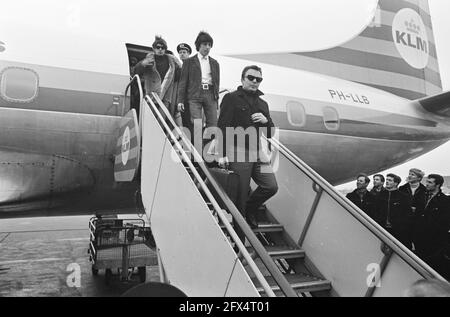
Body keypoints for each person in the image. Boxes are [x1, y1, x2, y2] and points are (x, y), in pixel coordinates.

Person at [217, 65, 277, 236]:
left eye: (258, 79)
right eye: (251, 78)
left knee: (271, 186)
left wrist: (266, 121)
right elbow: (222, 127)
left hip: (258, 151)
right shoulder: (231, 98)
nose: (255, 82)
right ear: (243, 79)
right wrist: (222, 154)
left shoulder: (262, 104)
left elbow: (270, 133)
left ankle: (250, 209)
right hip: (238, 150)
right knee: (240, 196)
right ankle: (239, 240)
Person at [177, 31, 220, 152]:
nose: (207, 47)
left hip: (210, 94)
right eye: (205, 44)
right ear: (198, 45)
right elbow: (183, 82)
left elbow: (217, 82)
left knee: (213, 125)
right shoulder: (189, 62)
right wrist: (180, 100)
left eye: (209, 45)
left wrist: (216, 99)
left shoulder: (215, 63)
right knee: (196, 124)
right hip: (195, 94)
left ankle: (207, 150)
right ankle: (198, 152)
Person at [414, 174, 449, 280]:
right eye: (427, 181)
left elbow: (444, 223)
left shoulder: (445, 201)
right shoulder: (420, 196)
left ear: (437, 185)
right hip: (418, 238)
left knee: (431, 268)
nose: (426, 184)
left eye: (430, 182)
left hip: (433, 242)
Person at [373, 174, 413, 249]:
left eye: (390, 180)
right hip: (382, 230)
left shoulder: (403, 197)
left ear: (396, 183)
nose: (387, 182)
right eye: (387, 180)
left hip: (398, 231)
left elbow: (407, 215)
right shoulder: (379, 196)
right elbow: (375, 212)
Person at [151, 36, 182, 119]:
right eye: (158, 47)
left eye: (163, 47)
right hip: (152, 95)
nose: (160, 49)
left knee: (162, 119)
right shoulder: (149, 60)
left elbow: (179, 76)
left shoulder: (171, 61)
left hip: (166, 95)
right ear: (153, 48)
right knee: (150, 117)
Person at [173, 43, 193, 129]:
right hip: (182, 100)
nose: (182, 54)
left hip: (191, 100)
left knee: (190, 123)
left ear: (188, 54)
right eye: (180, 52)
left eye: (184, 52)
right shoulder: (180, 67)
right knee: (185, 123)